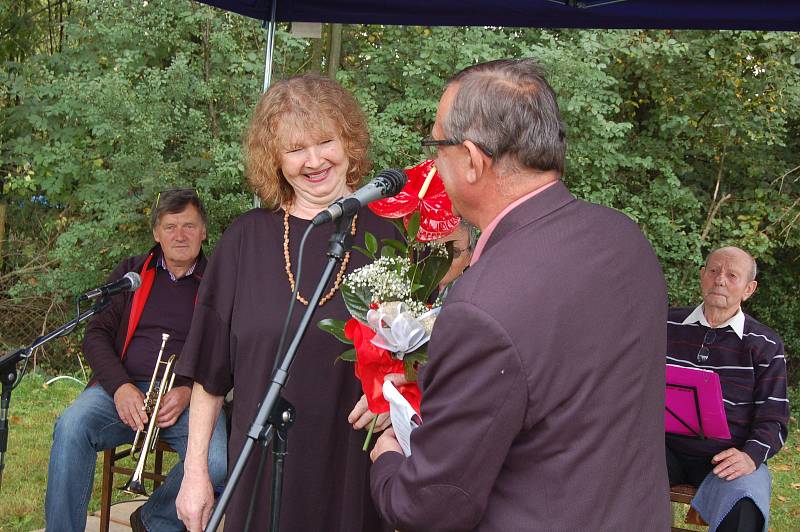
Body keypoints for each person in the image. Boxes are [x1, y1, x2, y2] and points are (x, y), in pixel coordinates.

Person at [369, 58, 671, 531]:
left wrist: (388, 461)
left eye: (436, 145)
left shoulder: (481, 305)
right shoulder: (625, 238)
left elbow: (432, 506)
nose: (432, 163)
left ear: (472, 160)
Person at [175, 75, 396, 532]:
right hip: (259, 471)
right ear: (274, 159)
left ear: (349, 142)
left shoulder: (387, 237)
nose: (314, 160)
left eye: (325, 141)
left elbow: (425, 359)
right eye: (296, 149)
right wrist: (195, 473)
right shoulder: (244, 240)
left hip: (349, 471)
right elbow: (209, 375)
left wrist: (394, 397)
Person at [44, 189, 228, 532]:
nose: (180, 235)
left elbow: (228, 350)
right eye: (170, 226)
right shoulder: (132, 273)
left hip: (188, 398)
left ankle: (153, 518)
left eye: (189, 226)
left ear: (204, 231)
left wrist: (188, 390)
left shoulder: (219, 282)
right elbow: (96, 334)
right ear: (156, 233)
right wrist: (120, 387)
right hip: (121, 392)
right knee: (70, 427)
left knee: (219, 462)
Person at [666, 246, 788, 532]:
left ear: (749, 288)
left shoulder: (766, 344)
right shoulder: (666, 324)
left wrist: (750, 456)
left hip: (727, 456)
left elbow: (774, 418)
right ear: (702, 276)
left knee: (745, 501)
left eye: (732, 275)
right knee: (614, 475)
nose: (720, 279)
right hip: (662, 448)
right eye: (713, 271)